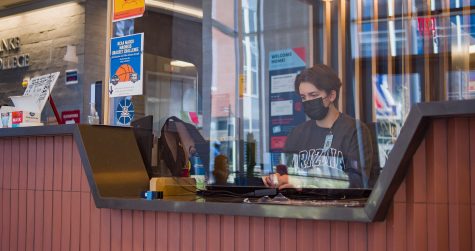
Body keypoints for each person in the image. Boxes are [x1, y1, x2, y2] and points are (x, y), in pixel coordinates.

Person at [264, 64, 377, 189]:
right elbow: (283, 173)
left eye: (313, 95)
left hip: (339, 207)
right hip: (299, 206)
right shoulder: (296, 134)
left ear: (331, 96)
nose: (308, 101)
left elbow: (356, 182)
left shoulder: (355, 131)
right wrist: (274, 180)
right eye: (303, 97)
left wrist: (303, 182)